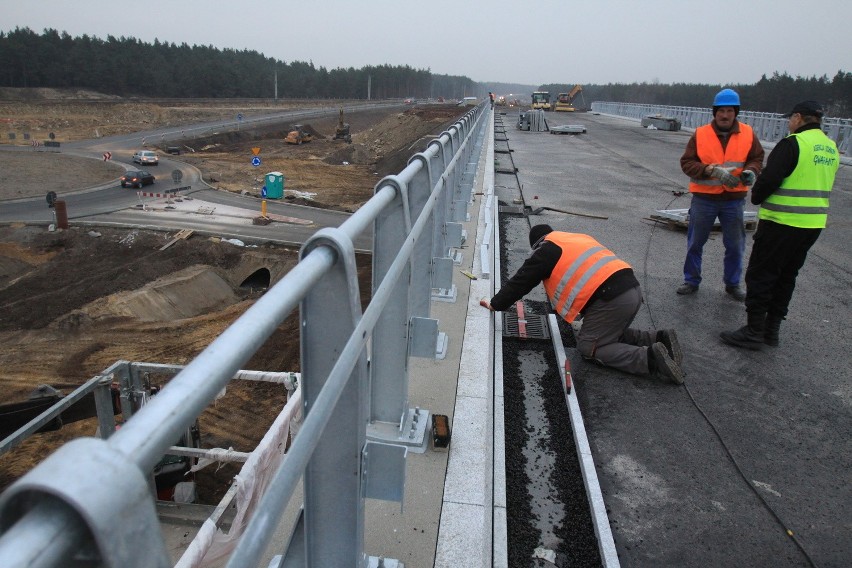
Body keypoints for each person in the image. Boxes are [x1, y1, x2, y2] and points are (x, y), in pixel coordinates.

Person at [481, 224, 684, 384]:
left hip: (610, 299)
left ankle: (650, 358)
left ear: (537, 244)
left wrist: (495, 304)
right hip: (631, 289)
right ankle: (658, 338)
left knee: (590, 347)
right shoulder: (574, 238)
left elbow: (521, 281)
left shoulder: (546, 249)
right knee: (608, 334)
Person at [721, 101, 839, 350]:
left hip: (782, 222)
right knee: (787, 276)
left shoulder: (793, 144)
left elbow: (771, 178)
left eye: (790, 119)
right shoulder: (830, 147)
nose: (789, 123)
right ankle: (771, 332)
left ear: (798, 118)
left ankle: (754, 331)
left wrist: (756, 194)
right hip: (813, 224)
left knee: (762, 275)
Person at [678, 88, 765, 301]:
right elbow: (686, 163)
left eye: (729, 111)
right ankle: (691, 280)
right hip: (704, 199)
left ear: (735, 112)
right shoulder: (700, 134)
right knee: (695, 244)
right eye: (721, 111)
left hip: (733, 201)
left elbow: (757, 158)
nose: (725, 115)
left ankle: (733, 284)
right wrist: (708, 170)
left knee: (735, 246)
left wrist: (751, 172)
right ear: (714, 112)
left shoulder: (748, 133)